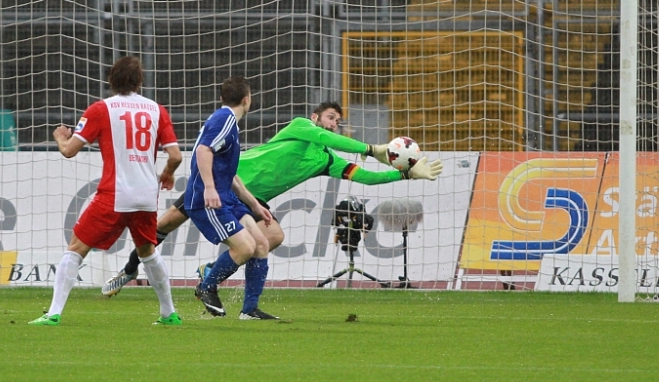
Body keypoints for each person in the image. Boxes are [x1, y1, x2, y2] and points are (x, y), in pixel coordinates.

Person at [103, 100, 443, 319]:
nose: (333, 124)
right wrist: (371, 148)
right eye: (330, 117)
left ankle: (237, 298)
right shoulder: (300, 127)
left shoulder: (327, 160)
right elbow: (333, 141)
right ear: (315, 118)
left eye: (338, 121)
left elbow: (365, 177)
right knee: (164, 225)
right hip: (228, 181)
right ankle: (130, 269)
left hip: (251, 199)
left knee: (272, 237)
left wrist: (405, 174)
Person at [29, 56, 183, 326]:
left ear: (111, 80)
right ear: (139, 81)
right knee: (148, 252)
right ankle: (169, 313)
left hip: (115, 193)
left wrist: (60, 137)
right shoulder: (157, 110)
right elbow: (176, 155)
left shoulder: (101, 109)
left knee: (76, 248)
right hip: (146, 195)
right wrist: (168, 173)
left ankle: (53, 313)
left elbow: (69, 151)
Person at [182, 76, 277, 319]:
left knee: (261, 244)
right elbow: (203, 150)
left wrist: (254, 205)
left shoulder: (228, 122)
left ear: (221, 97)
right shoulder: (224, 119)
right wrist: (210, 188)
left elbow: (230, 173)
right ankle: (207, 287)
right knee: (245, 247)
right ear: (247, 99)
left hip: (227, 197)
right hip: (207, 200)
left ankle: (249, 310)